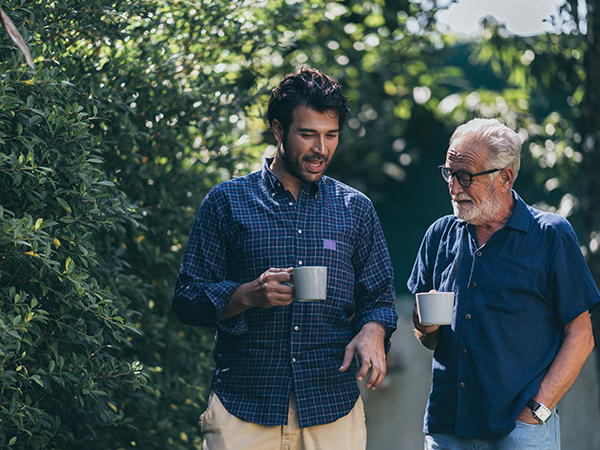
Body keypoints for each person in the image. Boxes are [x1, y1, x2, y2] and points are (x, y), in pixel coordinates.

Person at [172, 67, 397, 450]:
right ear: (278, 130)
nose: (321, 149)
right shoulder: (227, 202)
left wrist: (374, 331)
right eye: (307, 134)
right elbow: (187, 301)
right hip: (244, 408)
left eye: (331, 135)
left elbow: (379, 299)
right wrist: (246, 294)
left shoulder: (355, 209)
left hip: (331, 408)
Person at [407, 118, 600, 450]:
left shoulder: (551, 235)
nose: (453, 187)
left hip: (520, 430)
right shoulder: (439, 235)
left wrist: (537, 411)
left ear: (505, 177)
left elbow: (581, 336)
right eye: (449, 173)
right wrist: (424, 325)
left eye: (465, 176)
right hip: (447, 425)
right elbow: (429, 339)